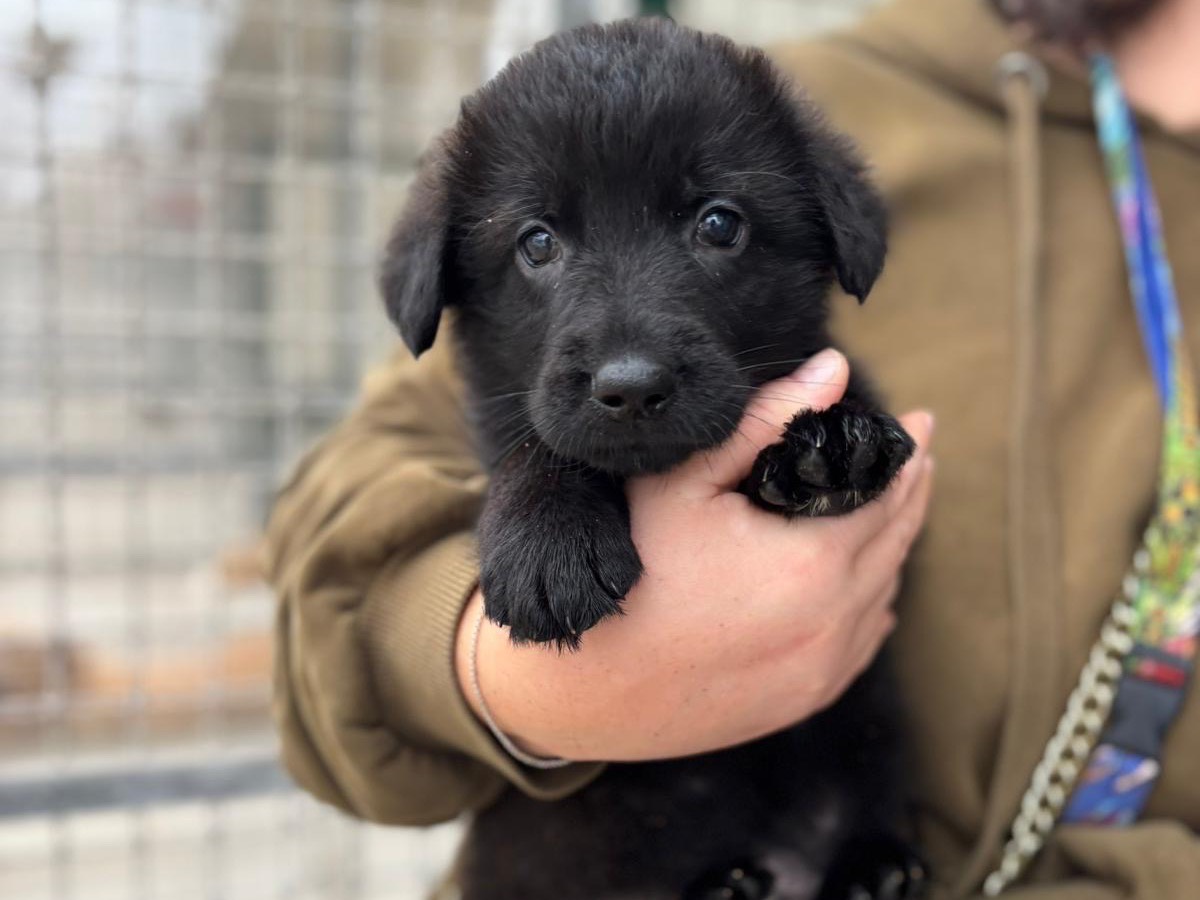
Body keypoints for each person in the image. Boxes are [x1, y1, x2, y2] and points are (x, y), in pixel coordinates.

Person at [265, 0, 1200, 896]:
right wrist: (504, 674)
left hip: (850, 829)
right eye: (538, 245)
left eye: (717, 227)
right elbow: (338, 517)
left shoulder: (778, 163)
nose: (626, 361)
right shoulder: (828, 90)